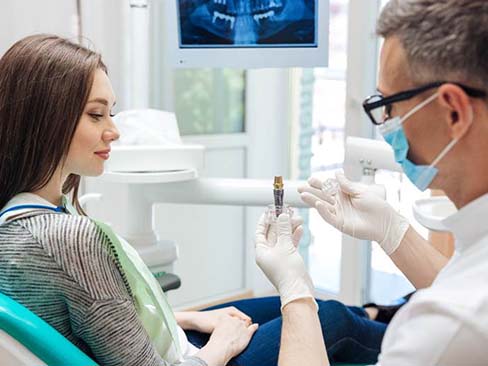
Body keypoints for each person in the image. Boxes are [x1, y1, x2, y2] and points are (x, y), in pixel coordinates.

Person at [0, 34, 390, 366]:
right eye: (96, 115)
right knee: (331, 320)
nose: (113, 131)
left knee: (314, 307)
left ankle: (385, 313)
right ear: (46, 118)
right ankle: (422, 334)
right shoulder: (68, 239)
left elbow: (101, 318)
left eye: (111, 113)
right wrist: (219, 347)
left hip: (164, 342)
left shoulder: (22, 216)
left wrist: (189, 318)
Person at [255, 0, 488, 365]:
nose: (386, 124)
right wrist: (392, 231)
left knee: (333, 318)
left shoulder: (447, 325)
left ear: (453, 112)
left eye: (389, 105)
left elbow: (463, 305)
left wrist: (295, 292)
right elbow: (464, 277)